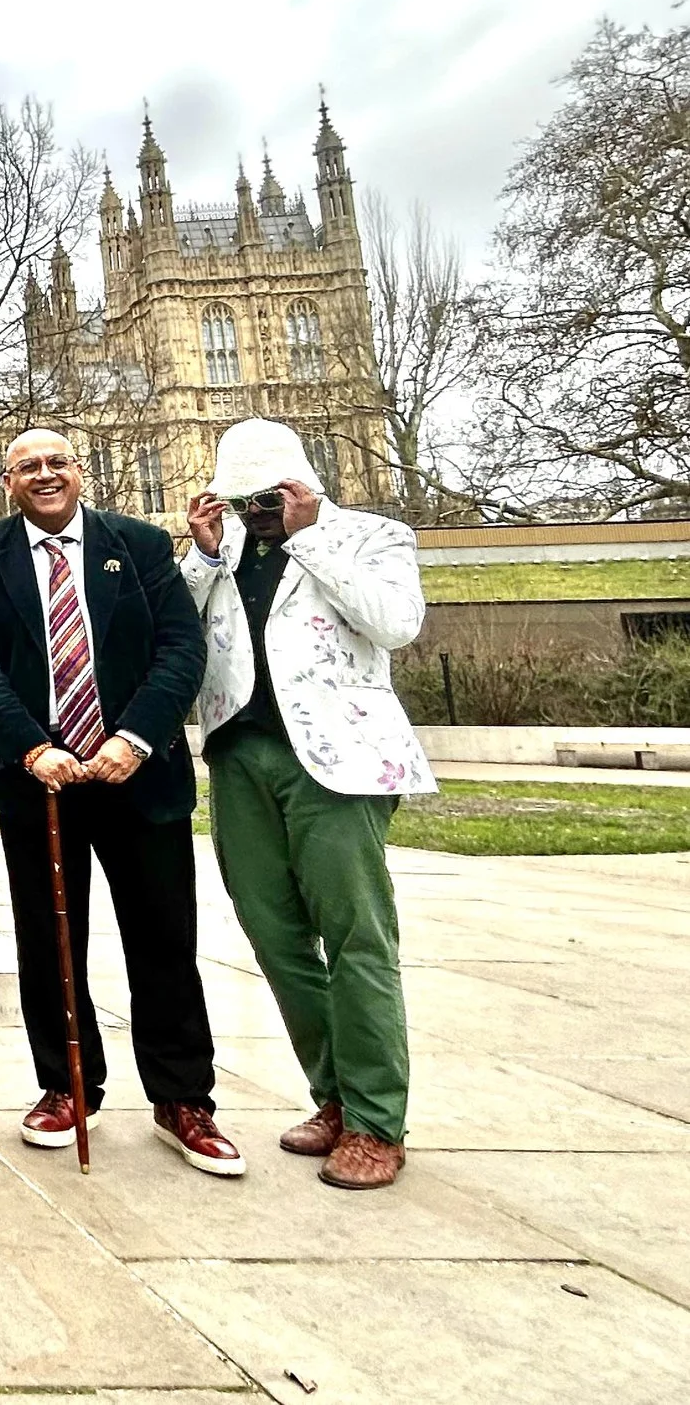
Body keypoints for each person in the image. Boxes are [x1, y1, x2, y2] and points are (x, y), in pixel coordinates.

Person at [0, 428, 240, 1177]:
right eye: (27, 467)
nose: (44, 475)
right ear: (7, 481)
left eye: (56, 462)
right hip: (39, 777)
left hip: (135, 774)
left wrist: (137, 735)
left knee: (163, 940)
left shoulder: (138, 545)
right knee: (49, 942)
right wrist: (29, 745)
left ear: (79, 471)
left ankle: (183, 1098)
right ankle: (67, 1084)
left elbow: (181, 646)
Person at [184, 418, 432, 1190]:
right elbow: (174, 634)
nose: (253, 512)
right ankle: (334, 1095)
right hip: (239, 755)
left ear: (299, 484)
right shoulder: (223, 555)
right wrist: (200, 553)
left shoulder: (369, 536)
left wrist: (309, 535)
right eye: (240, 499)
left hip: (338, 763)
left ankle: (376, 1119)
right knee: (275, 935)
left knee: (356, 935)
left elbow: (395, 624)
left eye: (265, 498)